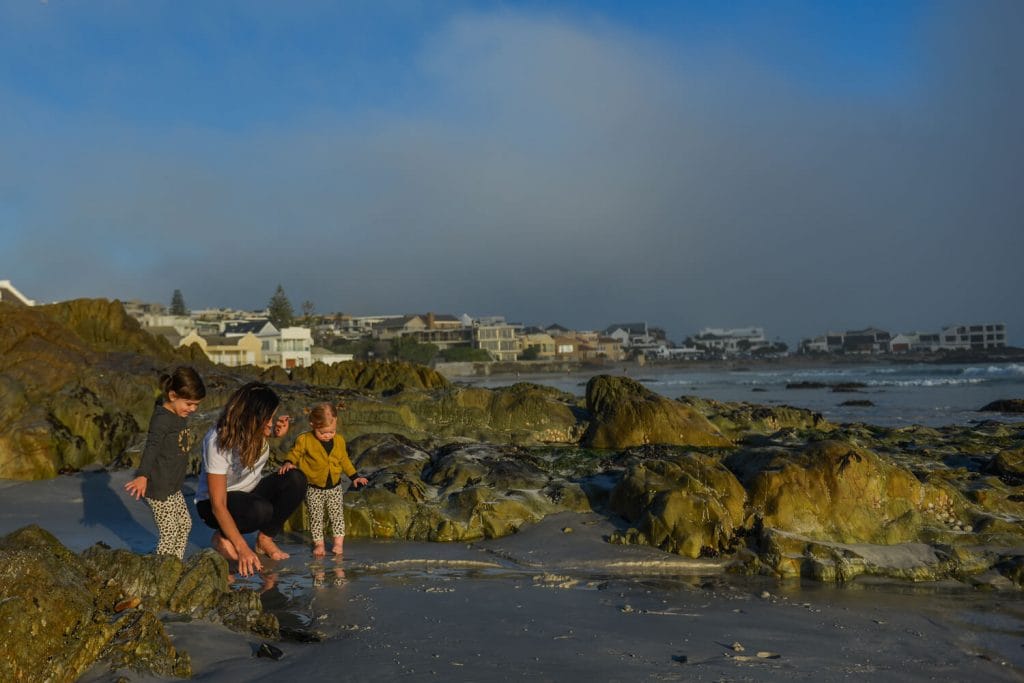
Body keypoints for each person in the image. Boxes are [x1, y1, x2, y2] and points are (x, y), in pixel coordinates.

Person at [194, 381, 306, 577]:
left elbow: (253, 441)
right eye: (268, 418)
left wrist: (276, 434)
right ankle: (222, 537)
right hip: (213, 505)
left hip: (250, 493)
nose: (271, 422)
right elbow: (218, 505)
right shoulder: (218, 441)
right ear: (253, 417)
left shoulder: (253, 430)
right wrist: (242, 547)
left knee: (295, 479)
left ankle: (265, 539)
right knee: (261, 510)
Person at [124, 366, 206, 560]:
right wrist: (142, 476)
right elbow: (151, 447)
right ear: (172, 395)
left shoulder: (179, 415)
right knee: (169, 532)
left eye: (196, 405)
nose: (193, 409)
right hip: (159, 487)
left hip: (172, 486)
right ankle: (161, 570)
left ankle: (174, 564)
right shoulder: (162, 419)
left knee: (184, 524)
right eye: (189, 404)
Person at [279, 402, 368, 558]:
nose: (328, 436)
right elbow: (295, 453)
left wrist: (355, 477)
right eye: (323, 432)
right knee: (316, 516)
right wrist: (288, 462)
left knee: (337, 515)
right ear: (312, 424)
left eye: (331, 432)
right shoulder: (304, 439)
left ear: (336, 423)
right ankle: (319, 544)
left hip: (334, 487)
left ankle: (338, 544)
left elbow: (345, 461)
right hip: (313, 487)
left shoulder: (339, 441)